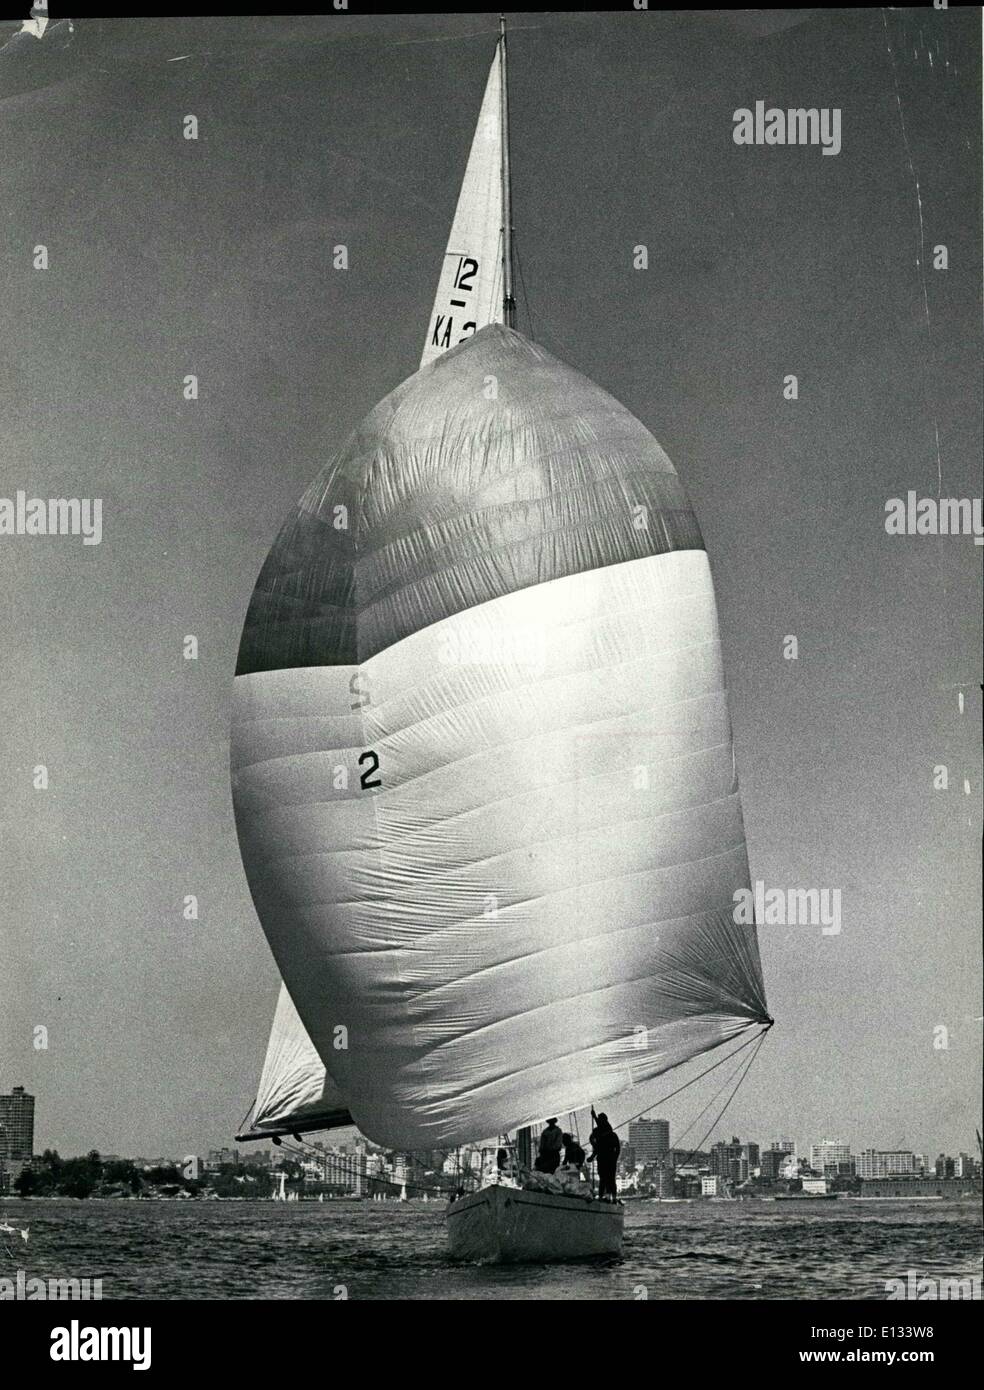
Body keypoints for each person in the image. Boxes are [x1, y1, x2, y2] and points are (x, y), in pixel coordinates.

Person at [588, 1112, 621, 1200]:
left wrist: (615, 1158)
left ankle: (612, 1197)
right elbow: (596, 1145)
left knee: (609, 1179)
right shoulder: (600, 1133)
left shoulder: (610, 1134)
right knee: (603, 1179)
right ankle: (603, 1197)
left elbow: (617, 1148)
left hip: (609, 1159)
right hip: (604, 1159)